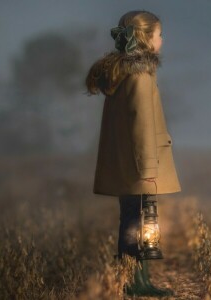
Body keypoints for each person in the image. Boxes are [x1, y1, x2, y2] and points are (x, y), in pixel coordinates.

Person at [85, 10, 181, 297]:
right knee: (142, 221)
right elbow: (142, 125)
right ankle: (136, 283)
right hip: (141, 166)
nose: (162, 40)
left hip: (127, 164)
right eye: (159, 34)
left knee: (131, 221)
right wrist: (149, 170)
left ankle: (134, 281)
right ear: (145, 38)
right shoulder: (141, 75)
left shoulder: (121, 72)